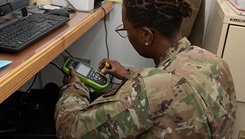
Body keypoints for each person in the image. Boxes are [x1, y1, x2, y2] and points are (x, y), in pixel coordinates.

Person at [55, 0, 237, 138]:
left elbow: (70, 129)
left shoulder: (146, 92)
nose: (126, 34)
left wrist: (74, 87)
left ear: (146, 35)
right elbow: (176, 82)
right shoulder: (214, 62)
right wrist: (129, 75)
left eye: (125, 29)